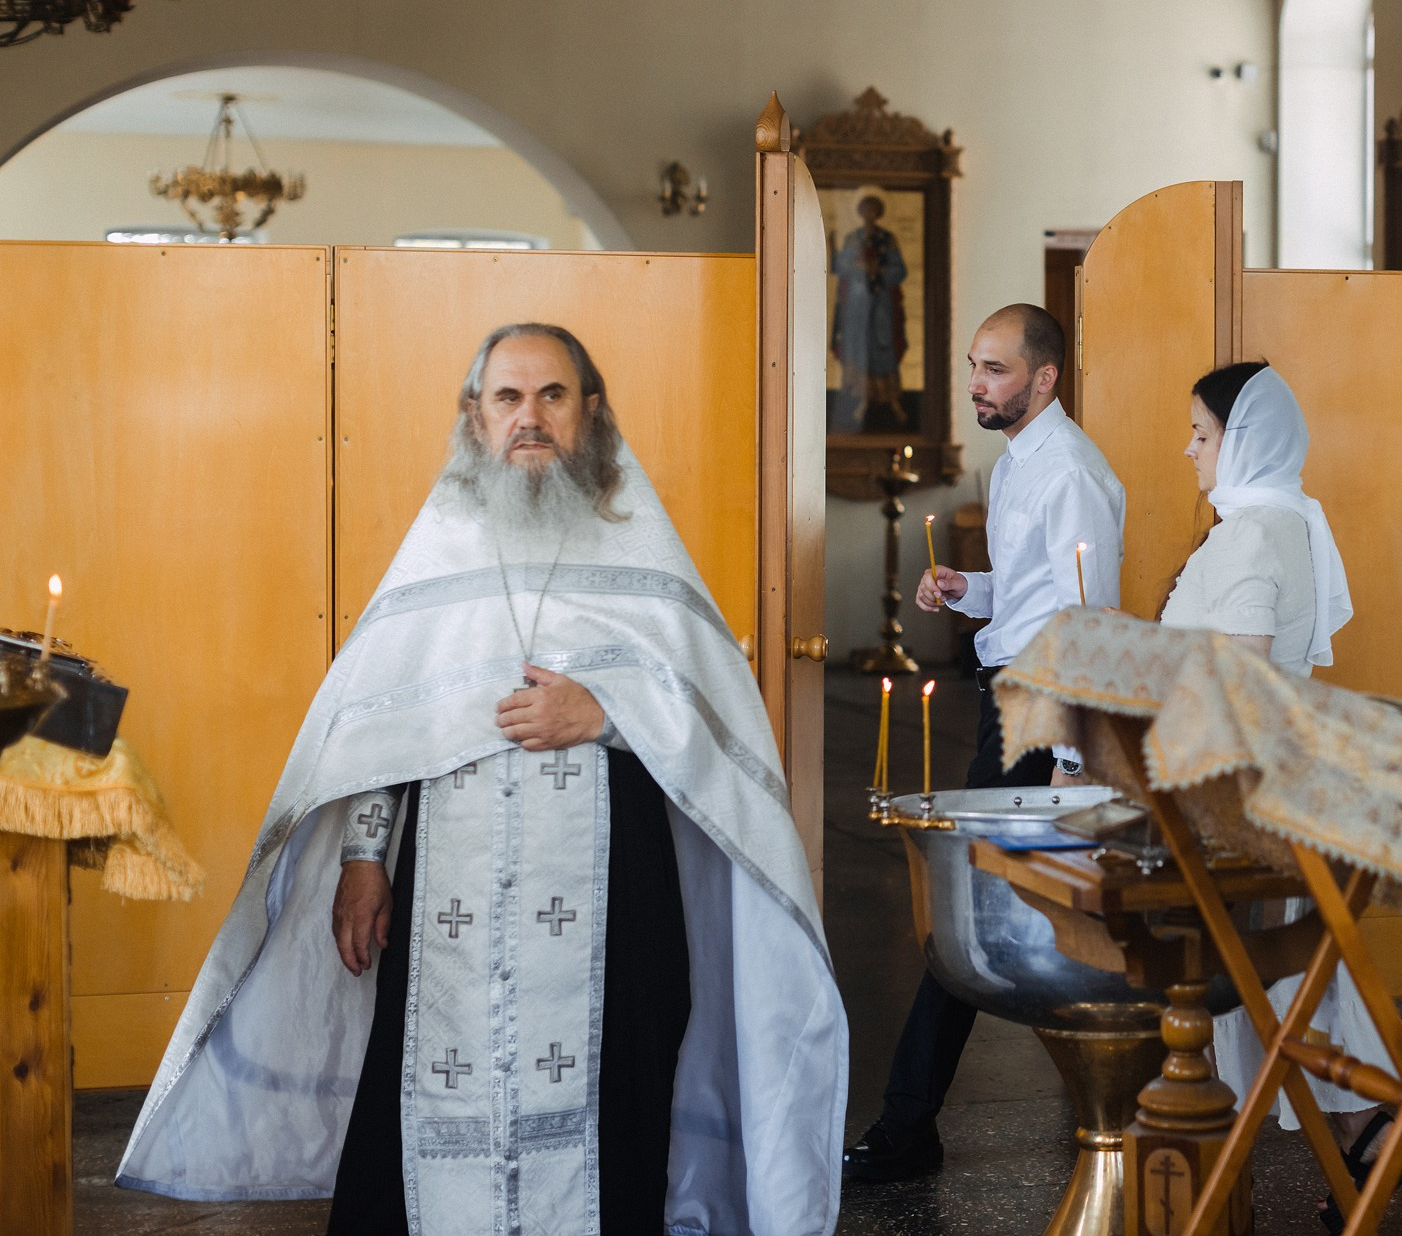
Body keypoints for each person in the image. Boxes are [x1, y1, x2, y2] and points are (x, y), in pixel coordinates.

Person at [116, 323, 847, 1236]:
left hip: (617, 902)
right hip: (447, 908)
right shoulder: (440, 550)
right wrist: (364, 859)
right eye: (508, 397)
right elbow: (383, 724)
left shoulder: (640, 548)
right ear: (476, 415)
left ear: (591, 412)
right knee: (416, 1103)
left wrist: (606, 712)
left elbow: (715, 720)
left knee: (619, 1108)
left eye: (552, 395)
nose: (529, 417)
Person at [841, 302, 1125, 1183]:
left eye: (994, 369)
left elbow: (1088, 618)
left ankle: (909, 1123)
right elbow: (1031, 589)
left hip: (1044, 710)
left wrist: (1076, 751)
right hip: (1010, 698)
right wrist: (970, 586)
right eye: (973, 364)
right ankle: (1098, 1104)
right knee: (1001, 910)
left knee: (979, 910)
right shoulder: (1015, 463)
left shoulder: (1071, 471)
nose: (975, 383)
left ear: (1045, 377)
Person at [1150, 361, 1401, 1232]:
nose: (1188, 448)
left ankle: (1237, 1156)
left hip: (1237, 780)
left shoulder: (1253, 533)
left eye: (1202, 433)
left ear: (1245, 439)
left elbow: (1242, 678)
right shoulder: (1279, 520)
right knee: (1281, 967)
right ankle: (1350, 1132)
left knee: (1246, 970)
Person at [828, 192, 910, 432]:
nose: (869, 215)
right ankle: (857, 399)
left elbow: (899, 270)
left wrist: (878, 270)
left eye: (873, 211)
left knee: (883, 346)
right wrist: (842, 256)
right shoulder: (853, 238)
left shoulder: (887, 239)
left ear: (878, 213)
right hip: (857, 305)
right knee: (858, 347)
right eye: (866, 210)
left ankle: (890, 399)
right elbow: (841, 266)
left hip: (881, 305)